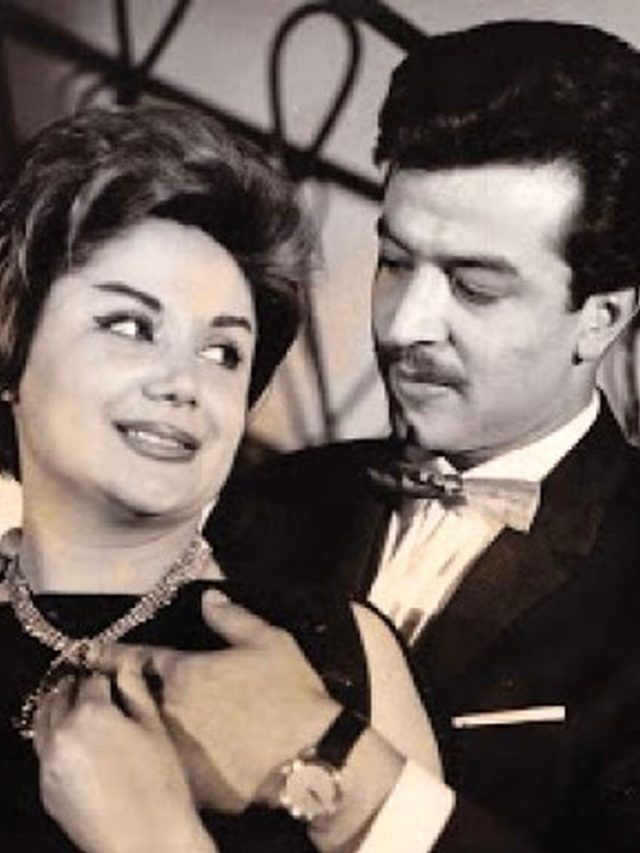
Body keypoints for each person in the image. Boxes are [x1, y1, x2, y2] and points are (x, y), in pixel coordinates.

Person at [198, 19, 640, 851]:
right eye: (396, 261)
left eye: (474, 287)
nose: (403, 325)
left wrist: (333, 769)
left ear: (602, 317)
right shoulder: (268, 499)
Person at [0, 103, 440, 852]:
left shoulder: (335, 653)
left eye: (223, 353)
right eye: (132, 326)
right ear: (14, 347)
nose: (185, 383)